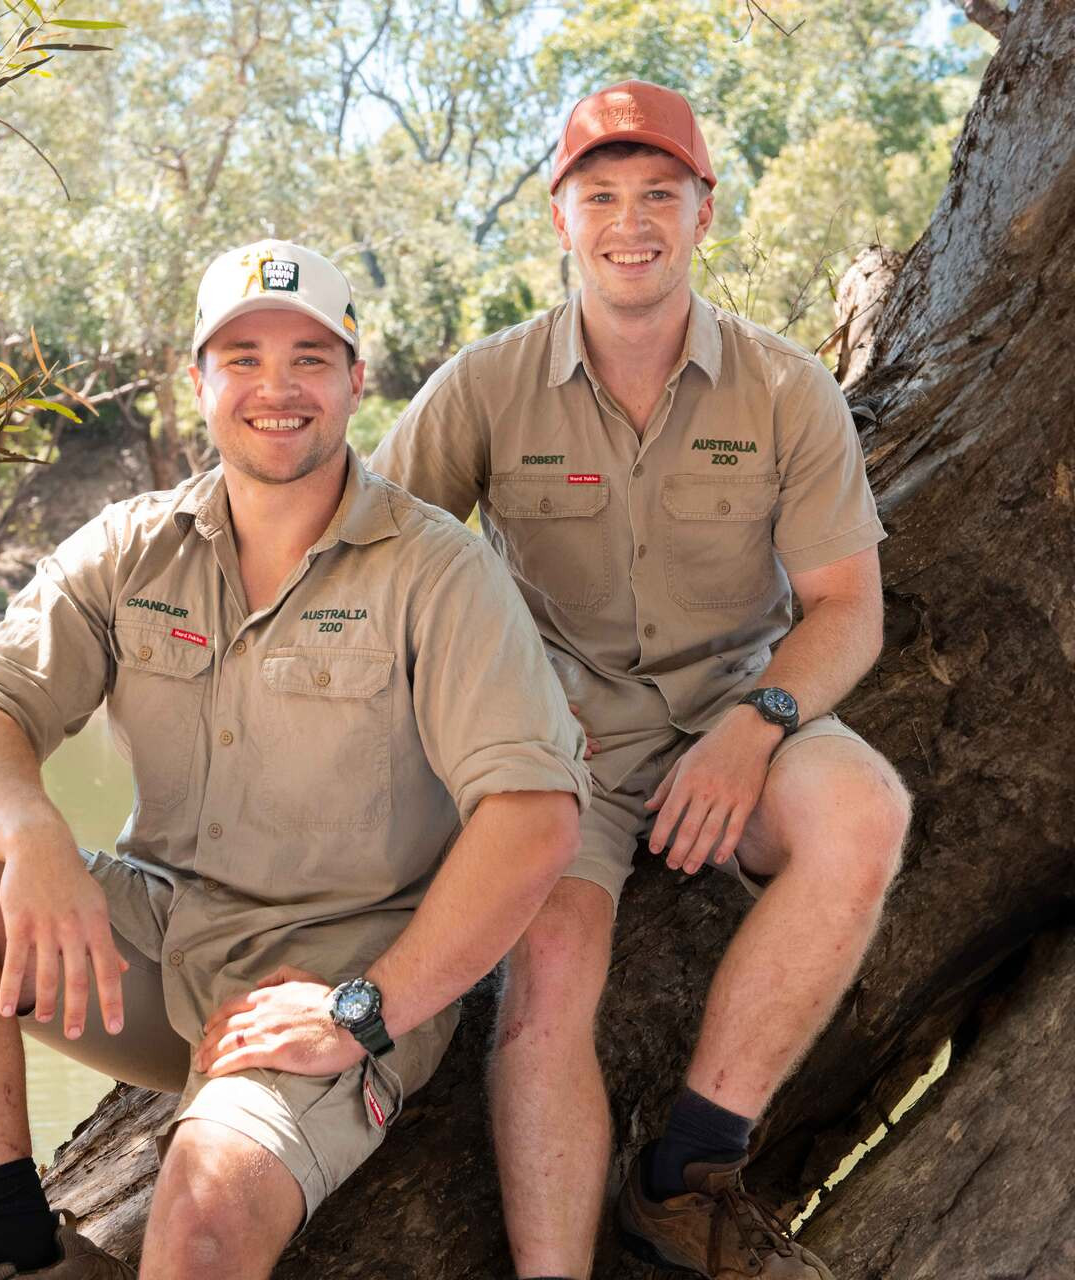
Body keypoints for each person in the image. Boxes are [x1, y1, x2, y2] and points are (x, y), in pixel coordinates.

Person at [0, 240, 590, 1280]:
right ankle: (17, 1257)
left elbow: (533, 817)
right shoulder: (131, 546)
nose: (275, 388)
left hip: (337, 972)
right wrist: (33, 840)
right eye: (241, 357)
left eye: (308, 358)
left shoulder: (436, 567)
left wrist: (365, 1006)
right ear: (195, 381)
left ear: (353, 380)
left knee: (199, 1221)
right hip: (158, 941)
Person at [369, 81, 910, 1280]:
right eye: (599, 194)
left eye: (657, 193)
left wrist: (755, 724)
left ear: (702, 213)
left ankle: (685, 1176)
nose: (630, 220)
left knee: (863, 811)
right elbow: (376, 578)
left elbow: (844, 609)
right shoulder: (482, 387)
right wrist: (495, 705)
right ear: (558, 216)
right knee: (547, 977)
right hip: (560, 749)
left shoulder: (783, 390)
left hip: (737, 706)